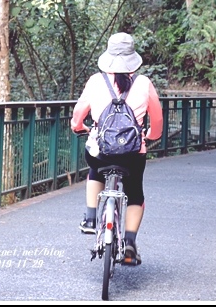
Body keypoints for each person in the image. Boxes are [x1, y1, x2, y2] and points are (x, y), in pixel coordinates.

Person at [70, 32, 163, 266]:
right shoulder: (144, 83)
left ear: (108, 56)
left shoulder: (95, 81)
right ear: (133, 58)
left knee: (94, 169)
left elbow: (78, 115)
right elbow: (158, 121)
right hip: (133, 153)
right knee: (135, 193)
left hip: (100, 151)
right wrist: (150, 136)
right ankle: (130, 244)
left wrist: (78, 127)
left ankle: (90, 218)